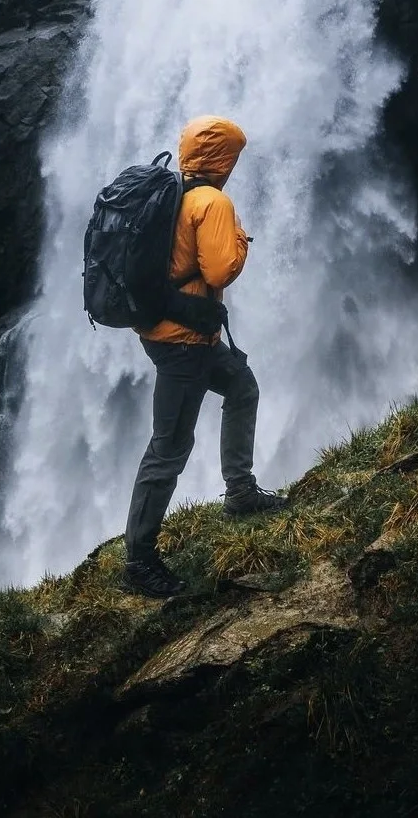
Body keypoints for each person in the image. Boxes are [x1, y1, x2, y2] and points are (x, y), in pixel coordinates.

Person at [121, 114, 288, 598]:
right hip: (184, 343)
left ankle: (240, 491)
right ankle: (139, 561)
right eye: (233, 156)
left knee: (241, 384)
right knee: (168, 448)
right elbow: (219, 271)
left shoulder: (170, 191)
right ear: (223, 159)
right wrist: (240, 240)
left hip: (169, 332)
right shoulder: (211, 201)